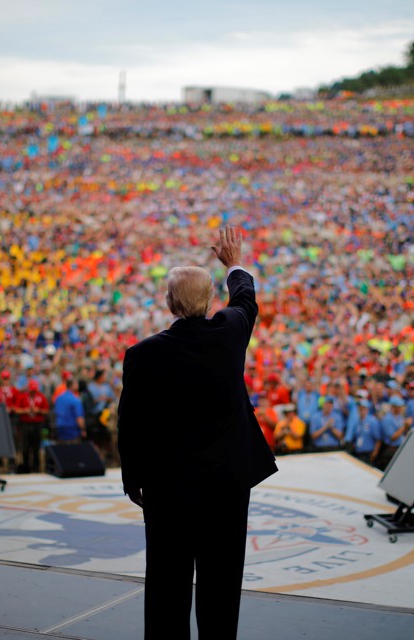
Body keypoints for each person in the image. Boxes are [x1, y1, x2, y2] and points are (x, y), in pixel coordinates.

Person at [117, 226, 277, 640]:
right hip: (227, 484)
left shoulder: (143, 354)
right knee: (221, 584)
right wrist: (233, 262)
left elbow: (130, 424)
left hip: (168, 488)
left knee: (167, 585)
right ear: (209, 303)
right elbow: (245, 297)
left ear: (169, 303)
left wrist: (133, 480)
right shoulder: (229, 333)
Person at [14, 379, 49, 472]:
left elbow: (46, 410)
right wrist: (26, 410)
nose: (33, 392)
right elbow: (16, 410)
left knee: (36, 446)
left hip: (37, 424)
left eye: (34, 390)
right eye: (32, 390)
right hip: (26, 424)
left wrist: (39, 410)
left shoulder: (41, 397)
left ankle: (36, 467)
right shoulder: (22, 397)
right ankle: (26, 466)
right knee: (25, 446)